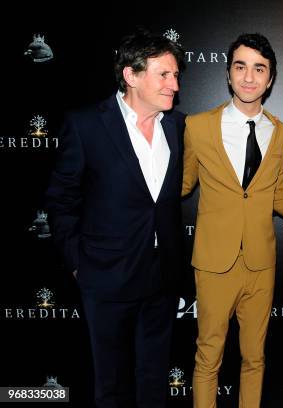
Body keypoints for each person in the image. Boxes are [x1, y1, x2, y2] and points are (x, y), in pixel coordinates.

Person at [46, 29, 185, 407]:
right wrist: (78, 263)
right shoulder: (87, 124)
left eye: (176, 76)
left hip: (162, 276)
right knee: (110, 384)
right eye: (164, 75)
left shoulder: (179, 126)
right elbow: (61, 200)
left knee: (154, 381)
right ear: (131, 75)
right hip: (106, 275)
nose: (174, 84)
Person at [181, 33, 283, 407]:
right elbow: (179, 186)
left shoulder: (281, 133)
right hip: (214, 262)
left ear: (270, 78)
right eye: (241, 67)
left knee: (255, 358)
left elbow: (278, 195)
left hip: (261, 263)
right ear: (228, 74)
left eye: (258, 68)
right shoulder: (197, 127)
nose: (249, 77)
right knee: (208, 356)